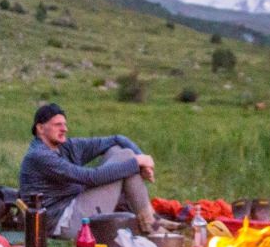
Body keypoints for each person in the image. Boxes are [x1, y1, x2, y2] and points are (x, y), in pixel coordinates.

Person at [19, 102, 164, 238]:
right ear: (40, 128)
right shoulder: (40, 156)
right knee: (126, 158)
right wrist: (137, 162)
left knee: (118, 151)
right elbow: (91, 177)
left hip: (73, 204)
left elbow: (116, 139)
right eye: (58, 125)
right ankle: (151, 223)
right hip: (62, 222)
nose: (65, 129)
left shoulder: (65, 147)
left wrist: (142, 159)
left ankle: (151, 219)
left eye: (64, 124)